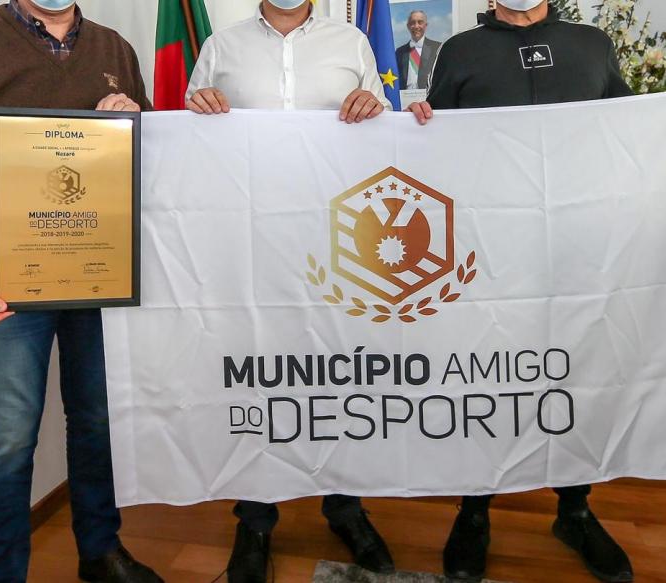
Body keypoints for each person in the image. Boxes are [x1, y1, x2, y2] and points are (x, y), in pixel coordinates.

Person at [406, 1, 666, 582]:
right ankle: (474, 511)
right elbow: (434, 143)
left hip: (583, 254)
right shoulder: (461, 51)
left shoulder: (591, 44)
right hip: (490, 254)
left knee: (575, 370)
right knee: (488, 373)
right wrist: (417, 119)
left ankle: (574, 509)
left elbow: (632, 127)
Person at [0, 1, 164, 581]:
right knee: (11, 434)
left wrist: (134, 115)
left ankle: (100, 551)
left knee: (98, 417)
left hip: (102, 262)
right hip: (4, 269)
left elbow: (150, 160)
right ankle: (2, 574)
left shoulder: (114, 47)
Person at [183, 1, 394, 581]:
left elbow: (382, 132)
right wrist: (195, 107)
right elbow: (190, 140)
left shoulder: (352, 42)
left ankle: (345, 507)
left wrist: (373, 108)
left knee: (341, 374)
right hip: (249, 246)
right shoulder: (219, 47)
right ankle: (255, 519)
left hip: (339, 244)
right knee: (260, 376)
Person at [395, 10, 441, 90]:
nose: (416, 26)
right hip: (405, 99)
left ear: (425, 25)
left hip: (429, 98)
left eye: (420, 22)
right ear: (408, 26)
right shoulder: (399, 52)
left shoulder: (437, 48)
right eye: (413, 23)